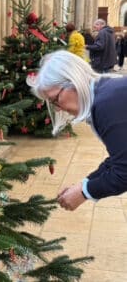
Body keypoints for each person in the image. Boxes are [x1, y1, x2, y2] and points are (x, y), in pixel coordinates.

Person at [27, 50, 125, 211]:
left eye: (56, 100)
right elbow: (120, 159)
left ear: (73, 81)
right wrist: (84, 184)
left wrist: (84, 192)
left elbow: (124, 173)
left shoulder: (105, 105)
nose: (58, 109)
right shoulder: (105, 93)